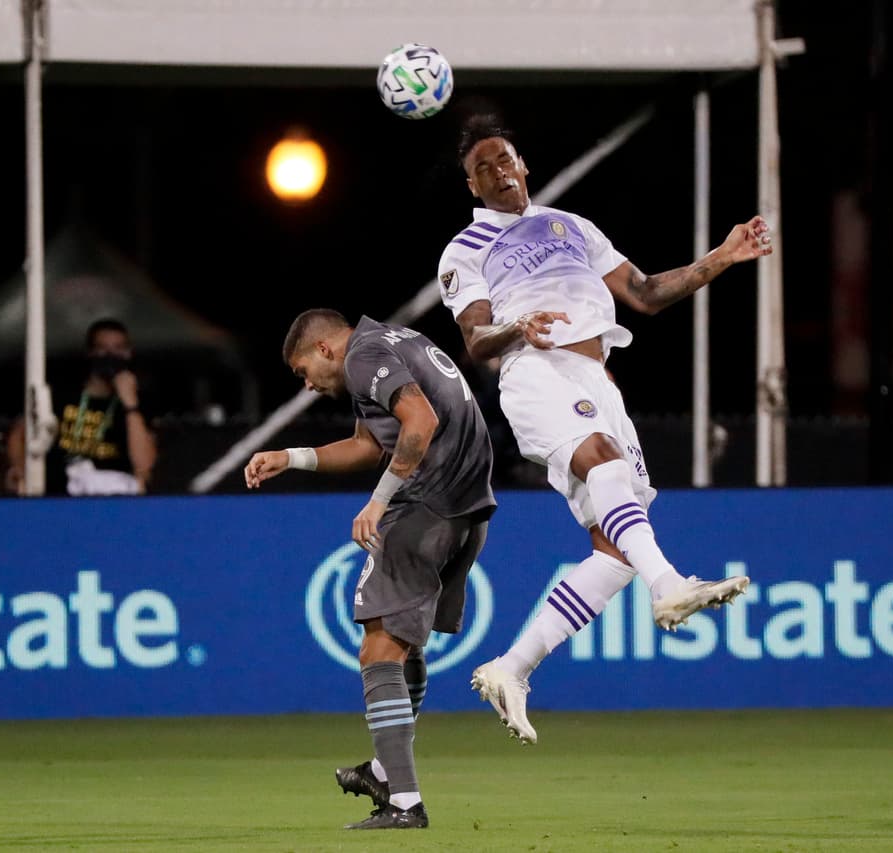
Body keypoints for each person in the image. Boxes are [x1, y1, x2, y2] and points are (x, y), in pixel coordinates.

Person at [436, 116, 774, 744]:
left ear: (524, 164)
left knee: (615, 552)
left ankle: (511, 668)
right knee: (602, 460)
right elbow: (477, 339)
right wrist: (517, 329)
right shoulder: (465, 250)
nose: (498, 172)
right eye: (483, 168)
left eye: (505, 158)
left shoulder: (572, 227)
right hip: (534, 370)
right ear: (472, 186)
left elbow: (644, 292)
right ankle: (670, 585)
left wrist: (724, 257)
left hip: (597, 378)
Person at [244, 308, 496, 830]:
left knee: (378, 648)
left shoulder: (363, 356)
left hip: (428, 503)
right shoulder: (392, 340)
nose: (308, 386)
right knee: (403, 645)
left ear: (325, 350)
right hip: (469, 509)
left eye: (303, 373)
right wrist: (290, 457)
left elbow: (421, 422)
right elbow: (367, 446)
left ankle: (403, 802)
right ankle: (386, 770)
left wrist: (378, 503)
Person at [6, 318, 158, 496]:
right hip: (59, 494)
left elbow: (145, 466)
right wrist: (19, 469)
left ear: (128, 353)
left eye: (118, 348)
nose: (110, 356)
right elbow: (19, 434)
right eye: (103, 348)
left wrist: (130, 404)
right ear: (91, 352)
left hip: (114, 498)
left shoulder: (139, 404)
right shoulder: (62, 394)